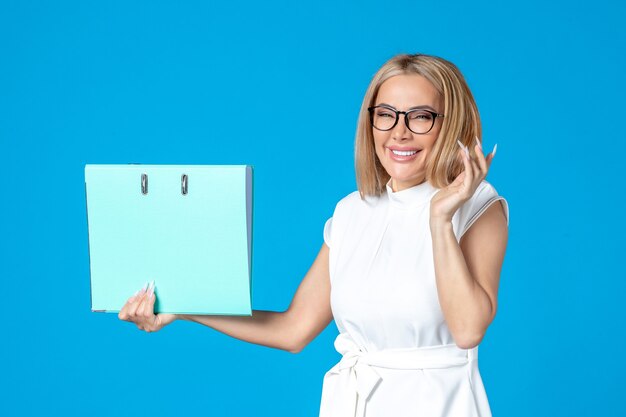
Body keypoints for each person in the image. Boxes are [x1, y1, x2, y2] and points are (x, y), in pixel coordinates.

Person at [118, 52, 509, 417]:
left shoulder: (478, 206)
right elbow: (293, 330)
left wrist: (440, 218)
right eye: (385, 114)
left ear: (450, 124)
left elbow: (468, 329)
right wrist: (184, 308)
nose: (399, 132)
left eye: (421, 116)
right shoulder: (352, 211)